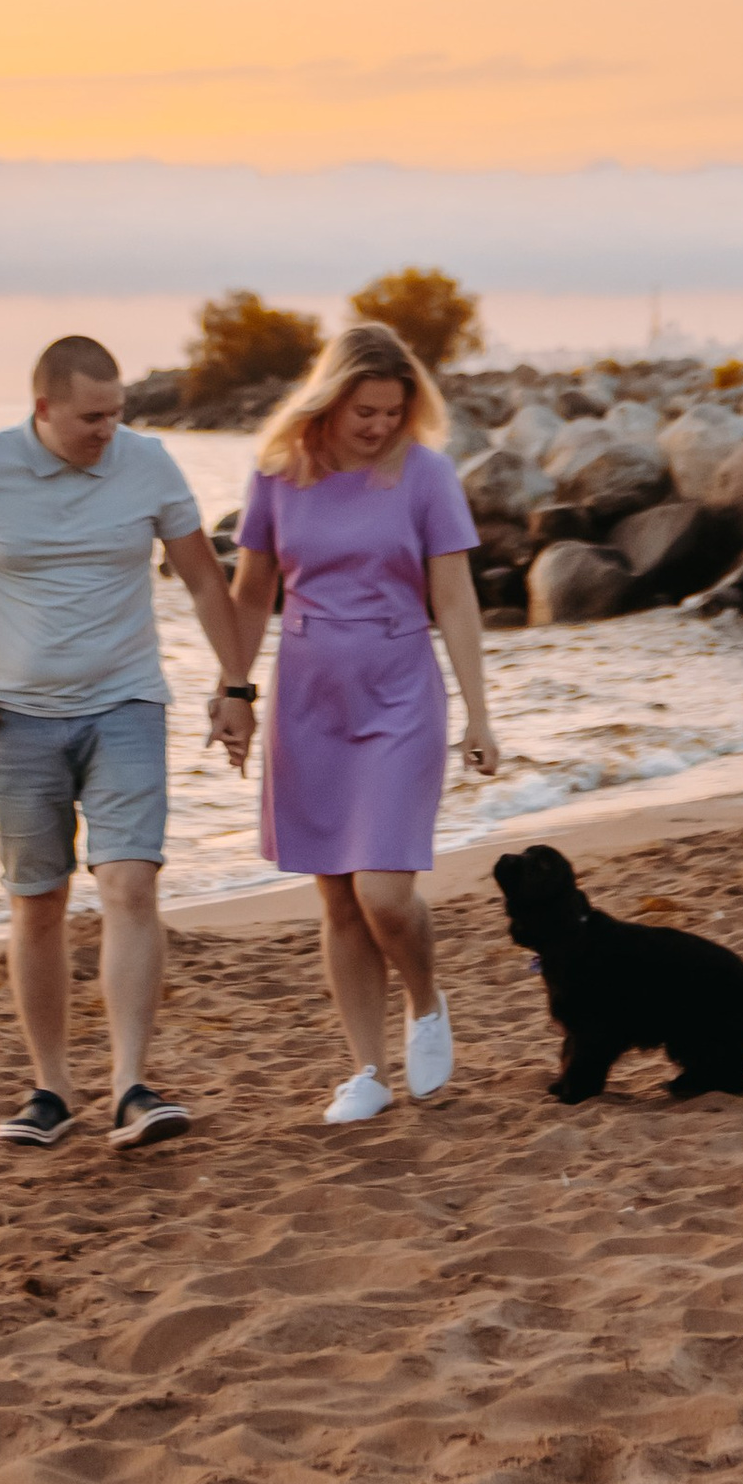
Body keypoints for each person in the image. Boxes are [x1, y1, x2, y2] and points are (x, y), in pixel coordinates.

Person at [0, 333, 258, 1152]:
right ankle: (52, 1091)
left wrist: (236, 686)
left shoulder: (148, 464)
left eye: (117, 414)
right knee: (39, 901)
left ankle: (131, 1084)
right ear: (43, 409)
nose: (107, 430)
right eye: (91, 417)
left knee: (131, 885)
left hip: (127, 703)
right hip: (14, 719)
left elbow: (206, 577)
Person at [228, 316, 501, 1125]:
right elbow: (250, 596)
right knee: (338, 898)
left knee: (385, 890)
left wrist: (479, 714)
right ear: (329, 401)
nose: (381, 427)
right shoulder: (278, 474)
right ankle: (368, 1070)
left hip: (399, 689)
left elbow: (452, 597)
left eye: (393, 411)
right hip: (308, 695)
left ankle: (425, 1000)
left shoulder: (425, 475)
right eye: (366, 413)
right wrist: (232, 692)